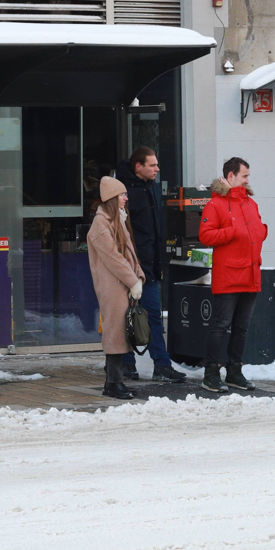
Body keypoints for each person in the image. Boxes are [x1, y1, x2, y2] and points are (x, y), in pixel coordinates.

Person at [196, 157, 268, 394]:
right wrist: (232, 232)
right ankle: (211, 373)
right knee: (221, 326)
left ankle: (235, 371)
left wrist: (257, 232)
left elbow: (258, 230)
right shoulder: (215, 205)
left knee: (241, 327)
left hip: (250, 272)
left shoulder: (250, 203)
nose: (248, 180)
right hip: (228, 274)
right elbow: (206, 236)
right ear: (230, 177)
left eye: (248, 176)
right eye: (244, 176)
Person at [121, 146, 186, 383]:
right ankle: (127, 364)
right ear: (138, 166)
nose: (157, 169)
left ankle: (161, 364)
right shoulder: (124, 190)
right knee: (125, 316)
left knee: (152, 316)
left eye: (157, 164)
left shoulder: (153, 188)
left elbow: (156, 230)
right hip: (129, 266)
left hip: (149, 265)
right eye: (152, 165)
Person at [87, 176, 144, 400]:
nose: (125, 198)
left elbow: (128, 254)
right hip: (113, 286)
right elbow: (113, 257)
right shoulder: (101, 223)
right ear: (111, 197)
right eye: (122, 195)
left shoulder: (117, 219)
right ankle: (113, 383)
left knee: (121, 333)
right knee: (115, 335)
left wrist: (137, 276)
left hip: (122, 284)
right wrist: (133, 280)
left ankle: (115, 381)